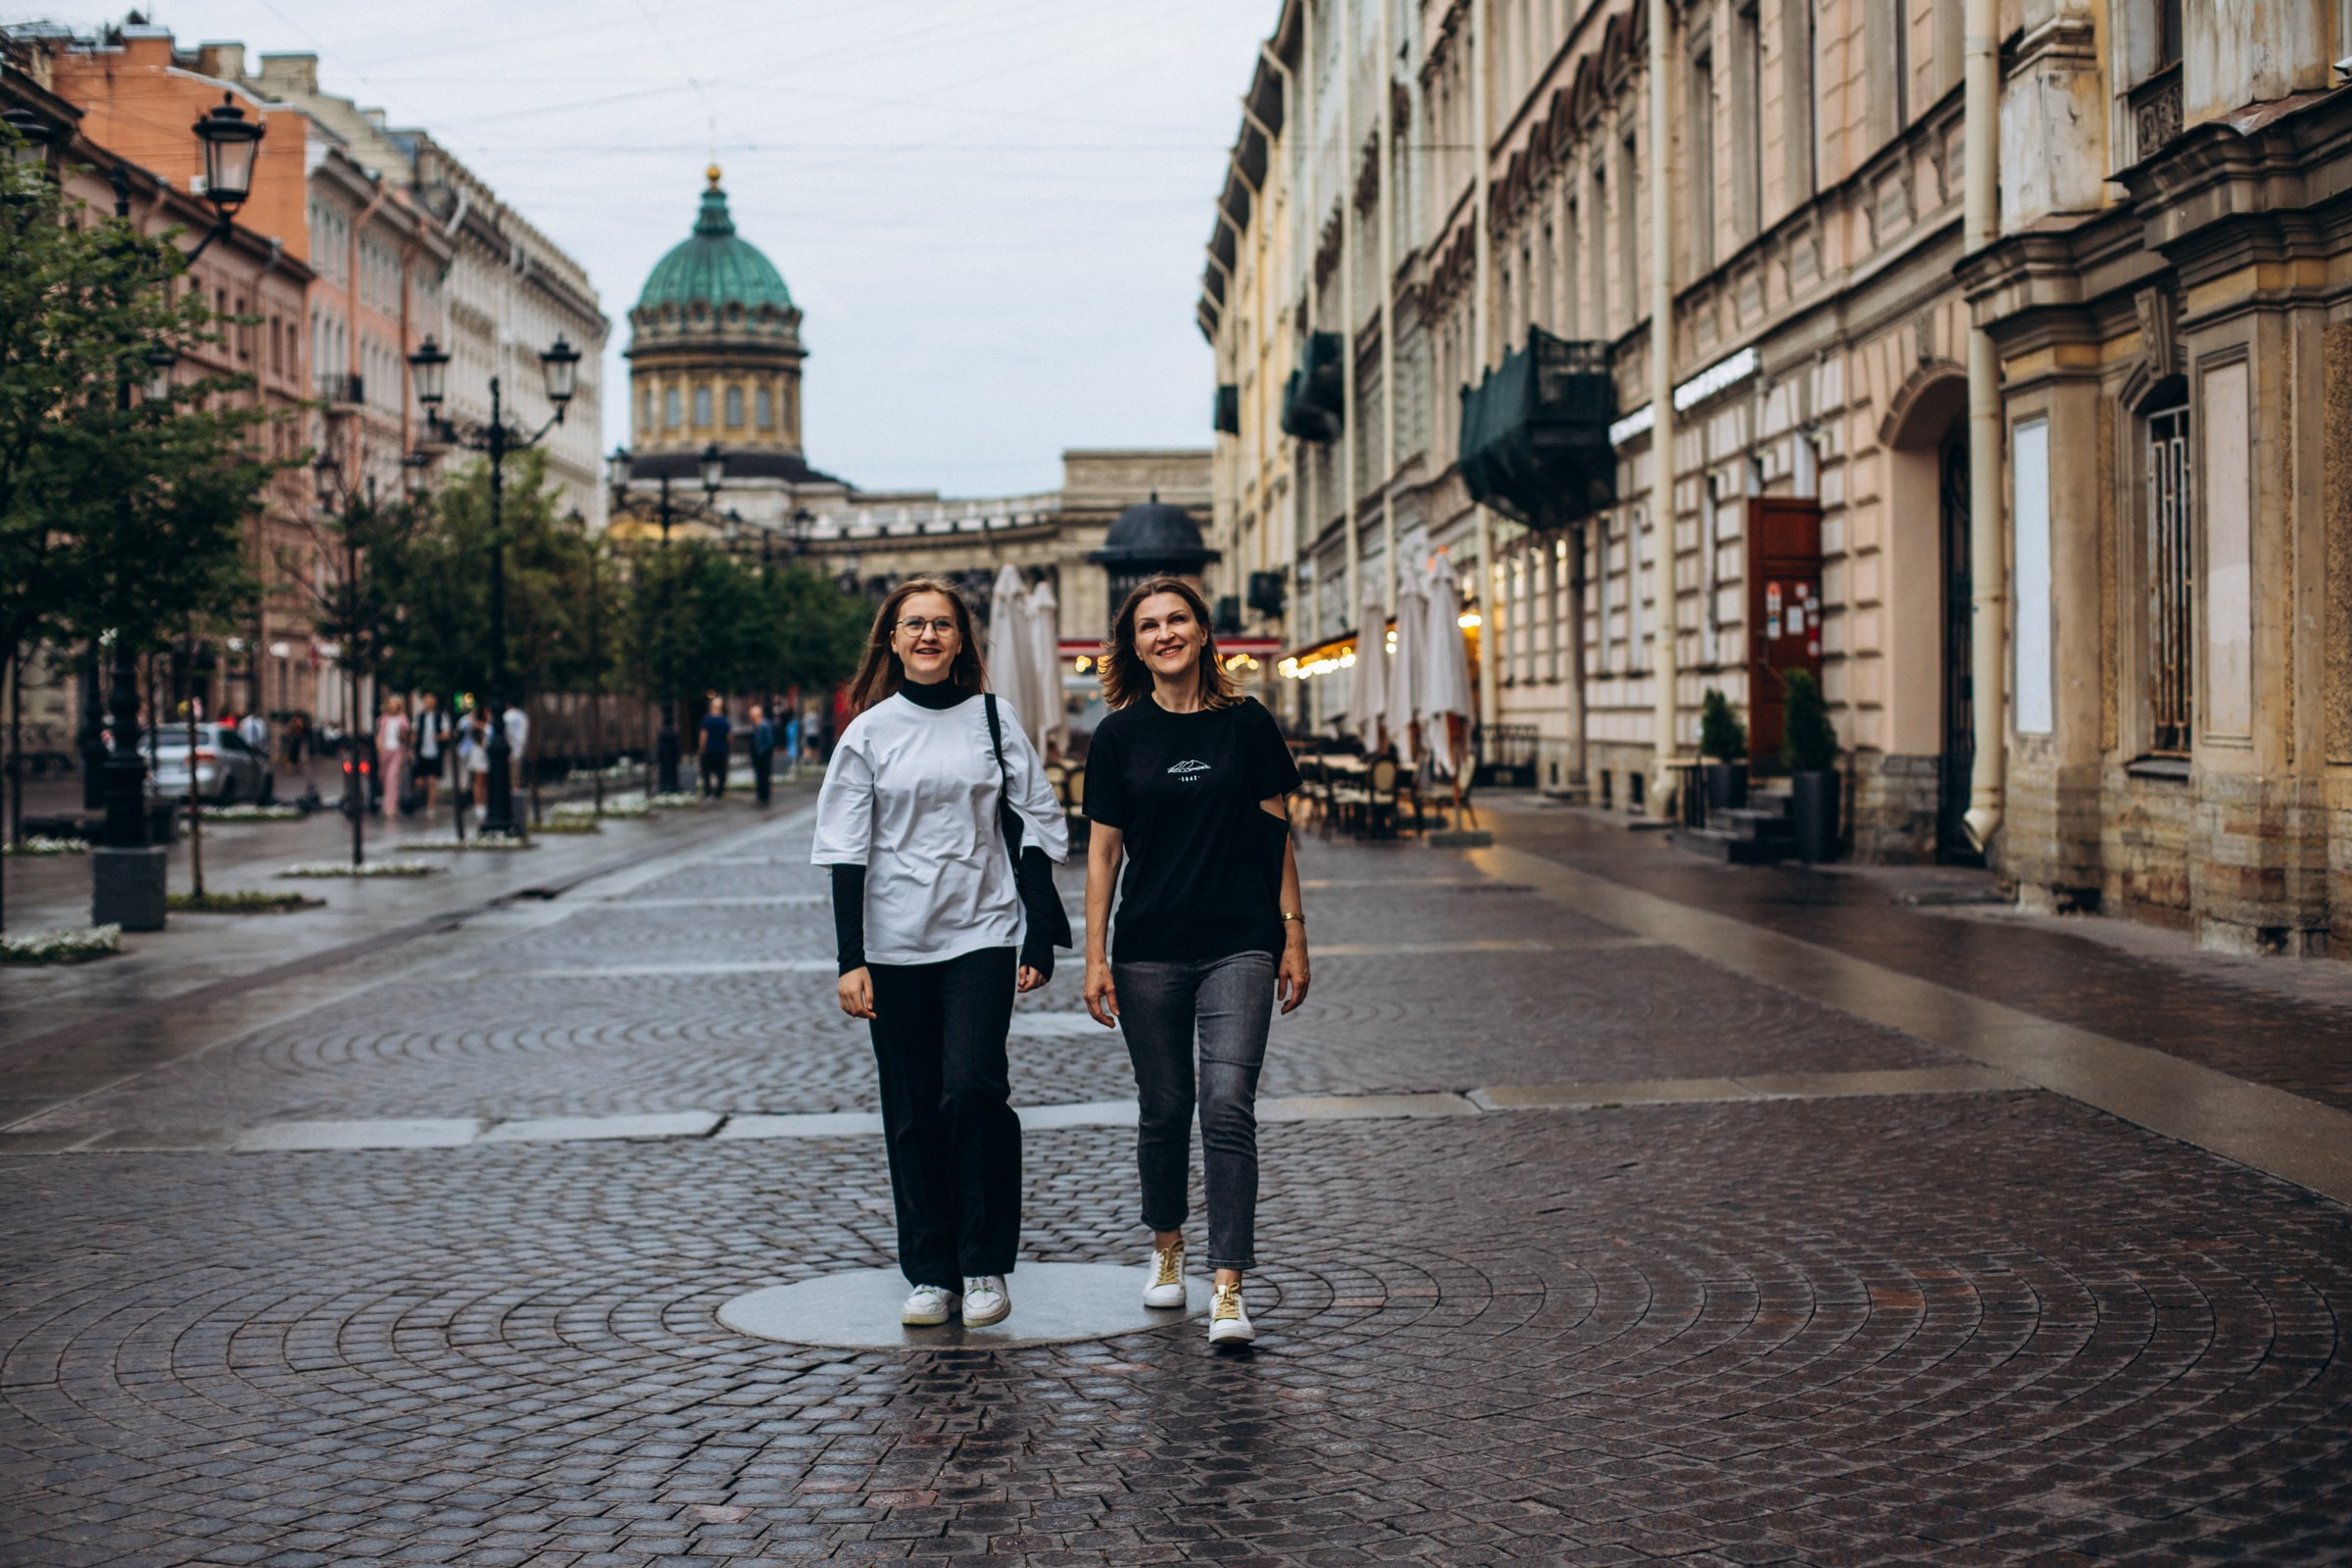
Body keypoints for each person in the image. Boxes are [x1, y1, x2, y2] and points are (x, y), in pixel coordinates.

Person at [811, 577, 1067, 1330]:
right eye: (913, 624)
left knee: (974, 1089)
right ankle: (931, 1271)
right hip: (894, 945)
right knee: (913, 1108)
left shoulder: (993, 718)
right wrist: (848, 958)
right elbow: (844, 849)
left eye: (942, 625)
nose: (927, 636)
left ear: (962, 640)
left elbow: (1038, 819)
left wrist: (1039, 929)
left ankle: (985, 1263)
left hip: (981, 933)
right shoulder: (868, 733)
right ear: (891, 639)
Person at [1082, 575, 1310, 1348]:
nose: (1165, 633)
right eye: (1149, 625)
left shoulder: (1247, 724)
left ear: (1205, 632)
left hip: (1240, 942)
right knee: (1165, 1108)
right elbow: (1103, 853)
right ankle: (1167, 1248)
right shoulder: (1118, 736)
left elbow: (1276, 833)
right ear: (1133, 644)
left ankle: (1228, 1284)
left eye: (1178, 619)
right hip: (1148, 948)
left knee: (1225, 1105)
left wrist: (1294, 934)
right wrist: (1095, 957)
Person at [411, 693, 446, 813]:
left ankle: (431, 805)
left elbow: (447, 733)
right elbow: (415, 733)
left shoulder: (441, 716)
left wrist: (439, 737)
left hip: (435, 752)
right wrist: (412, 749)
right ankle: (424, 799)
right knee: (420, 781)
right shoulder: (419, 716)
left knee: (432, 780)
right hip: (422, 751)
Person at [375, 697, 409, 822]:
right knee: (384, 776)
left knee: (392, 777)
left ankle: (391, 807)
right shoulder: (383, 719)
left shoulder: (402, 720)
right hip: (385, 751)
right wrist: (380, 746)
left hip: (397, 750)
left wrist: (402, 731)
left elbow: (405, 736)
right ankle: (386, 802)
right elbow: (379, 734)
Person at [699, 698, 732, 798]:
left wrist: (701, 748)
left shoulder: (707, 720)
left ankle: (708, 792)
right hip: (721, 751)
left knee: (706, 773)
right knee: (721, 773)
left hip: (709, 750)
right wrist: (727, 746)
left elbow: (703, 735)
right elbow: (729, 737)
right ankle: (718, 792)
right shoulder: (724, 721)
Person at [748, 704, 775, 806]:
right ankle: (761, 796)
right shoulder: (758, 725)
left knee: (763, 777)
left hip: (763, 757)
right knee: (760, 777)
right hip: (759, 756)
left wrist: (761, 752)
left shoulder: (764, 726)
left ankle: (764, 797)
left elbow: (768, 741)